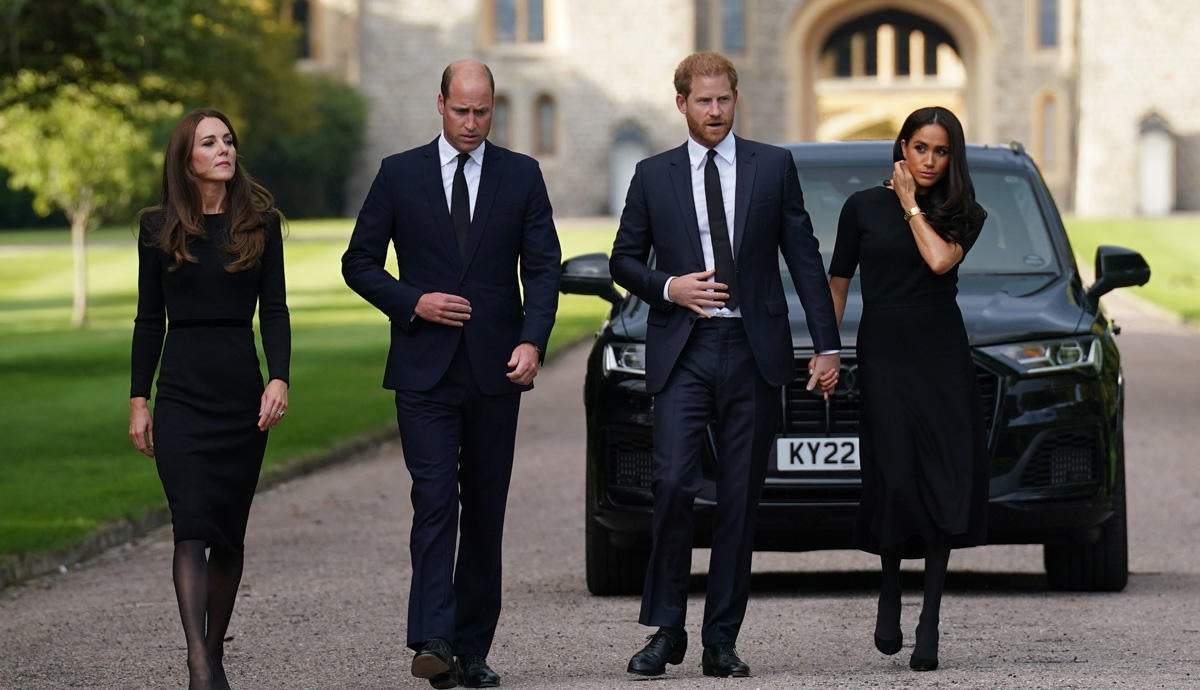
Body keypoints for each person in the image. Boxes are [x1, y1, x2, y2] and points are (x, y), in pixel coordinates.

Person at [609, 52, 842, 679]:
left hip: (753, 350)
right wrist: (669, 288)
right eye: (703, 101)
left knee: (740, 497)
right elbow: (623, 260)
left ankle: (721, 639)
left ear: (736, 99)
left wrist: (826, 345)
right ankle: (666, 629)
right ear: (680, 103)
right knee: (674, 484)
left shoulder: (774, 166)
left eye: (724, 100)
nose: (715, 111)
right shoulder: (653, 175)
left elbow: (804, 257)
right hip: (684, 349)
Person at [341, 60, 561, 689]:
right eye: (461, 111)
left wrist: (533, 342)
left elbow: (544, 268)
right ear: (440, 104)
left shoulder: (521, 175)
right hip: (424, 371)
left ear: (494, 108)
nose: (471, 123)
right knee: (434, 500)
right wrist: (413, 302)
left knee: (485, 511)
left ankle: (471, 650)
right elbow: (358, 262)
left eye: (483, 111)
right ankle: (433, 638)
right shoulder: (399, 174)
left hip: (497, 371)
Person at [129, 108, 290, 690]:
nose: (224, 149)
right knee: (190, 526)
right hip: (180, 394)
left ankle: (213, 654)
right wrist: (138, 400)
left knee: (227, 532)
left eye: (228, 140)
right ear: (186, 158)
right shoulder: (157, 227)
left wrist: (280, 377)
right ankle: (199, 665)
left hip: (240, 394)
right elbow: (149, 319)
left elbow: (274, 308)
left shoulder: (261, 223)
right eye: (209, 142)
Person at [823, 106, 988, 672]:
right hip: (884, 355)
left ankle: (931, 620)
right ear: (902, 147)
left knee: (940, 477)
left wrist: (911, 206)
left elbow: (939, 260)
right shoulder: (861, 207)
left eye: (941, 151)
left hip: (941, 357)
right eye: (921, 148)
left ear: (952, 157)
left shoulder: (963, 211)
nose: (930, 160)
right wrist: (827, 350)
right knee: (894, 475)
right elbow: (838, 284)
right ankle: (891, 585)